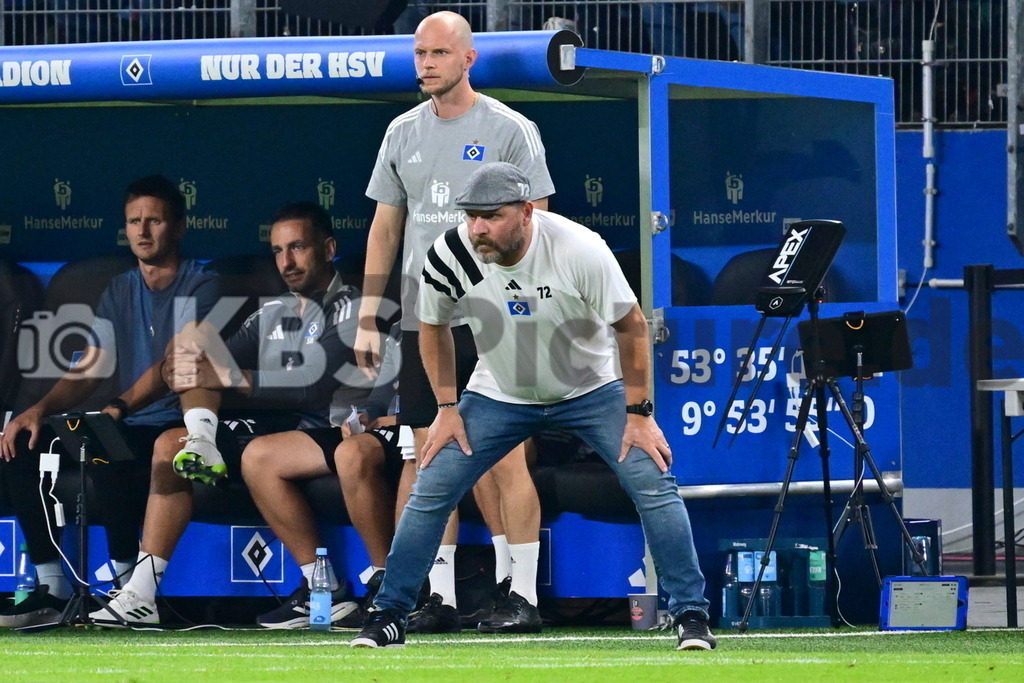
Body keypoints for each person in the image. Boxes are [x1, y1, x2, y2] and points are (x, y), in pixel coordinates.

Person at [351, 162, 715, 650]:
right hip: (499, 393)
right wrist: (446, 408)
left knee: (652, 480)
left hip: (591, 390)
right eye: (471, 216)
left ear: (526, 212)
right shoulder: (451, 252)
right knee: (432, 482)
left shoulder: (579, 249)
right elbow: (432, 327)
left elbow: (632, 328)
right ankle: (389, 613)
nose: (478, 228)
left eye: (491, 216)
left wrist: (639, 415)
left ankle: (690, 614)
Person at [354, 10, 553, 634]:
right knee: (428, 455)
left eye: (438, 53)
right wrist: (367, 316)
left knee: (506, 455)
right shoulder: (400, 134)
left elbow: (537, 223)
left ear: (468, 58)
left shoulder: (511, 129)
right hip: (425, 320)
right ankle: (432, 596)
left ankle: (519, 595)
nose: (426, 64)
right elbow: (386, 227)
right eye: (419, 54)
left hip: (496, 316)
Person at [89, 201, 366, 627]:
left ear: (328, 249)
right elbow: (207, 363)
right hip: (284, 425)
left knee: (213, 373)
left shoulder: (351, 306)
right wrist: (170, 367)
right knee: (172, 434)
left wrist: (225, 374)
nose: (286, 262)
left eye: (297, 248)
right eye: (277, 251)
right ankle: (141, 594)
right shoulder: (273, 312)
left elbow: (314, 385)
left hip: (336, 428)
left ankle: (325, 588)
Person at [0, 175, 219, 629]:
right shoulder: (120, 288)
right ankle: (50, 585)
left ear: (177, 227)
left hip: (174, 423)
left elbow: (173, 366)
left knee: (105, 437)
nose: (142, 231)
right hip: (126, 420)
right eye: (133, 221)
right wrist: (39, 410)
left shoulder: (204, 282)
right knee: (23, 442)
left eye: (154, 220)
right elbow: (93, 364)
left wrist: (117, 407)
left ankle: (125, 585)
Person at [243, 323, 408, 629]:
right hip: (382, 429)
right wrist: (366, 416)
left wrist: (400, 418)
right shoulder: (400, 329)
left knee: (352, 453)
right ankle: (320, 588)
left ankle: (385, 586)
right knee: (260, 456)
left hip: (424, 429)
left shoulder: (463, 322)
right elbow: (381, 396)